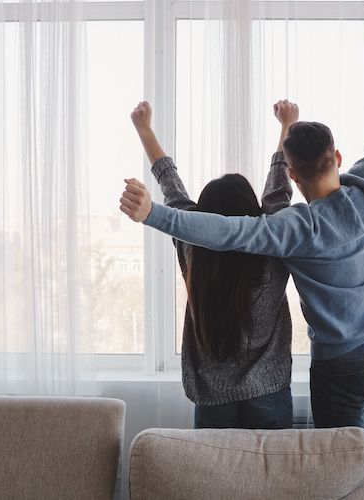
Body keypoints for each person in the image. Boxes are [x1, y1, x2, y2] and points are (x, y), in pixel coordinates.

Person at [119, 27, 364, 438]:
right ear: (339, 156)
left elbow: (223, 232)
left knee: (342, 463)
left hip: (335, 366)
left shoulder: (291, 229)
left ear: (294, 172)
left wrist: (154, 213)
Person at [129, 98, 301, 429]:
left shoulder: (193, 246)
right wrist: (286, 127)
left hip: (211, 396)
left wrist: (145, 130)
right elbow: (278, 192)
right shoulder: (273, 244)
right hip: (269, 390)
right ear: (253, 214)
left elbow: (172, 190)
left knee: (213, 478)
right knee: (275, 478)